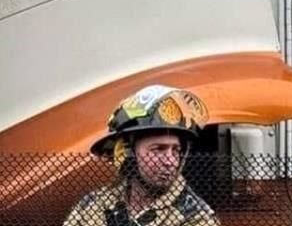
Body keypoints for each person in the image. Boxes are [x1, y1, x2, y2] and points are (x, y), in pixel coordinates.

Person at [63, 85, 221, 226]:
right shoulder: (94, 205)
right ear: (127, 153)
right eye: (158, 149)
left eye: (175, 150)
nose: (170, 161)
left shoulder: (196, 218)